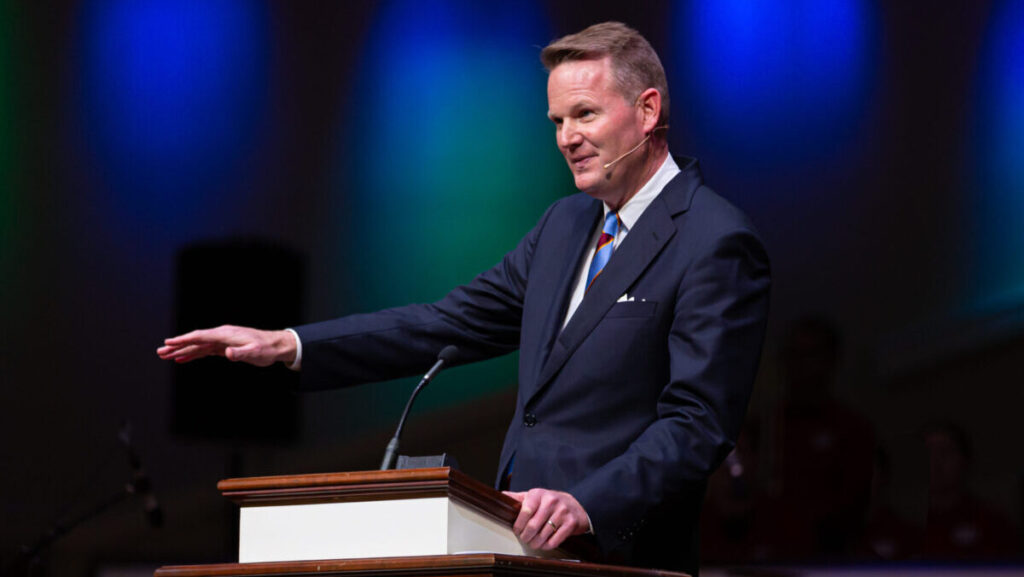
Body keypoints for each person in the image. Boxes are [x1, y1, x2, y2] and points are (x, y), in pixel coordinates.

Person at [158, 22, 770, 574]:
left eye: (584, 114)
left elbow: (696, 424)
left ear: (647, 110)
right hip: (516, 551)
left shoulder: (714, 239)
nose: (566, 138)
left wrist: (588, 504)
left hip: (625, 559)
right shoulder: (564, 225)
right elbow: (443, 325)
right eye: (557, 122)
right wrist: (289, 344)